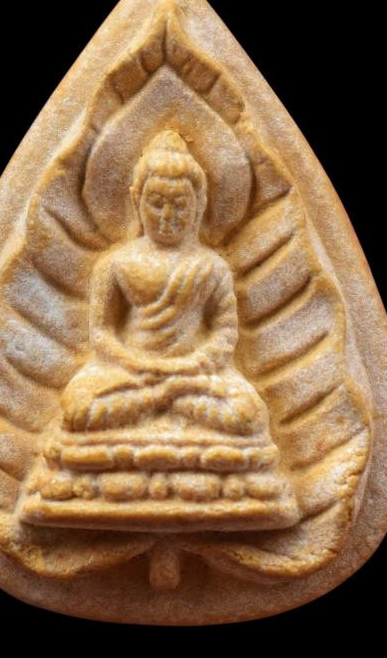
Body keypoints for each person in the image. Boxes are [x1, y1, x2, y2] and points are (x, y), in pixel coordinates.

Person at [59, 129, 271, 437]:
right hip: (130, 373)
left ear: (199, 204)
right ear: (137, 200)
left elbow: (224, 334)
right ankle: (165, 400)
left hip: (192, 375)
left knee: (247, 414)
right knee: (77, 408)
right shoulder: (115, 264)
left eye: (180, 204)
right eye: (156, 203)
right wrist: (136, 364)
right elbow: (102, 333)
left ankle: (155, 402)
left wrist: (190, 366)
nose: (167, 215)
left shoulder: (212, 267)